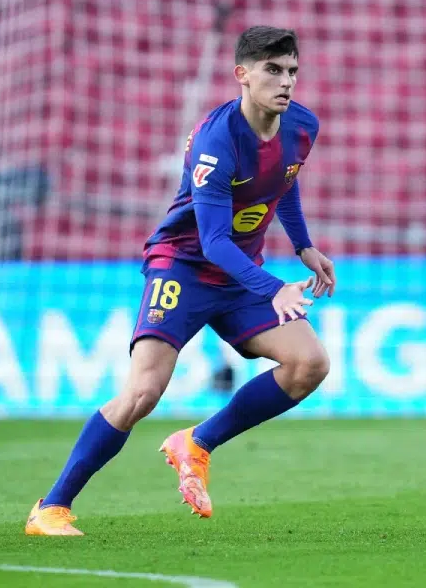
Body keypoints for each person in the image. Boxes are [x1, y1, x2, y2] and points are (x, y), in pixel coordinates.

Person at [26, 26, 337, 536]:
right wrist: (272, 287)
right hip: (185, 267)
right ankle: (51, 508)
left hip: (240, 277)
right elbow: (213, 241)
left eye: (293, 71)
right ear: (242, 75)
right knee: (143, 392)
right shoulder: (217, 141)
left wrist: (303, 245)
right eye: (274, 71)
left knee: (309, 364)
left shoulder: (301, 126)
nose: (287, 82)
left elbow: (287, 180)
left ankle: (197, 442)